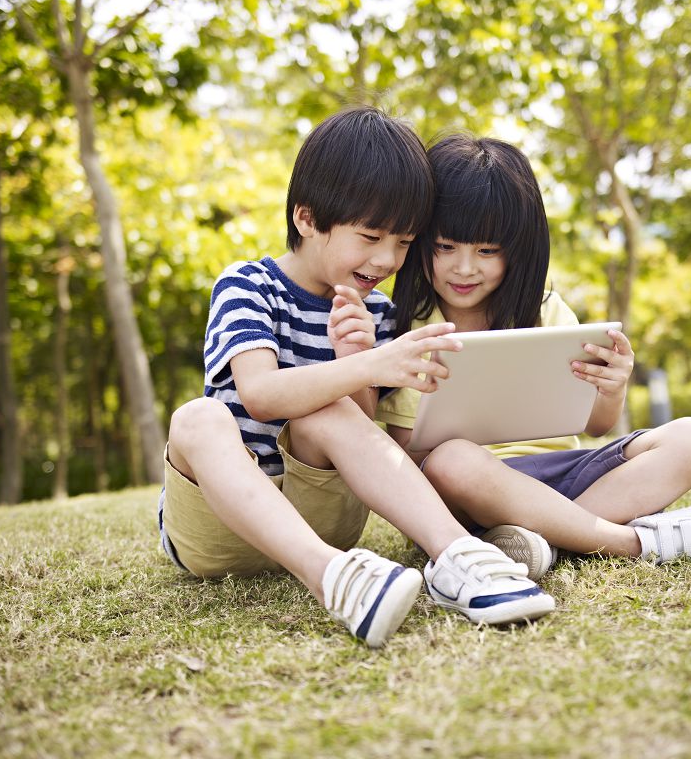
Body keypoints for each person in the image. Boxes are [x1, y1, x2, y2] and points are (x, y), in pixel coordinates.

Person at [158, 109, 555, 649]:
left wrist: (361, 358)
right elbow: (259, 396)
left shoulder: (379, 313)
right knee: (198, 418)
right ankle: (331, 578)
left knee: (334, 411)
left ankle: (462, 558)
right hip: (218, 530)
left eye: (403, 242)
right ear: (306, 217)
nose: (387, 258)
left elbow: (364, 437)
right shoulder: (248, 285)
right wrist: (363, 364)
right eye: (370, 236)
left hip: (325, 515)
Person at [378, 133, 691, 580]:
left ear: (518, 250)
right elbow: (407, 461)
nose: (464, 268)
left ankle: (538, 543)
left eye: (486, 251)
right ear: (421, 243)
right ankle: (630, 543)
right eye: (446, 248)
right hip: (467, 496)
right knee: (452, 460)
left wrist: (612, 387)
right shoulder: (410, 329)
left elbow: (595, 426)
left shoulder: (549, 313)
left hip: (565, 477)